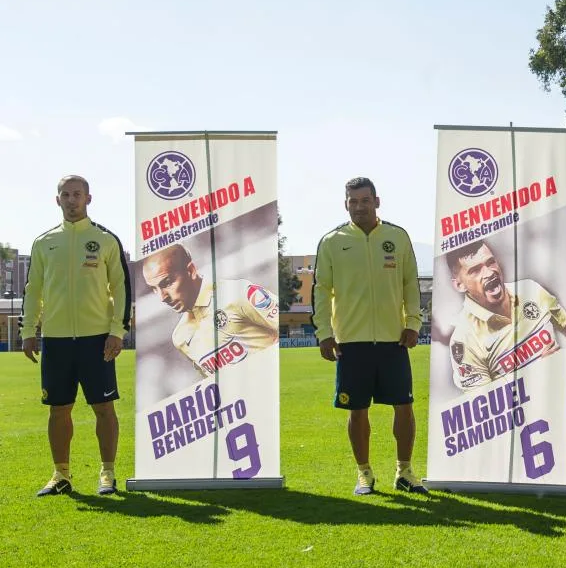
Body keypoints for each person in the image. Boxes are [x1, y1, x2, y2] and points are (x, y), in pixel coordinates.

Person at [312, 177, 427, 496]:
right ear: (345, 204)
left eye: (365, 200)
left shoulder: (397, 237)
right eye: (353, 201)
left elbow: (410, 283)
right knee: (357, 409)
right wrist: (324, 333)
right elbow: (321, 290)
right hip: (351, 342)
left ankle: (404, 472)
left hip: (393, 339)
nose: (359, 207)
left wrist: (413, 322)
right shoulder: (332, 241)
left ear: (377, 202)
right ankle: (364, 474)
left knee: (404, 405)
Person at [21, 175, 130, 497]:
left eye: (77, 194)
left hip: (97, 339)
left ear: (88, 198)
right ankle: (61, 475)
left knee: (104, 408)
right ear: (58, 200)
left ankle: (107, 473)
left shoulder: (105, 239)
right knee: (58, 409)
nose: (72, 200)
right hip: (55, 341)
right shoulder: (43, 242)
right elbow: (33, 290)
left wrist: (117, 331)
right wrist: (28, 331)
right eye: (66, 195)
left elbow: (121, 287)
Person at [446, 239, 566, 390]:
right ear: (459, 285)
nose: (489, 273)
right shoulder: (464, 339)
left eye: (490, 262)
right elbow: (487, 402)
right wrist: (537, 374)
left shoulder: (531, 289)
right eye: (475, 270)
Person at [141, 243, 279, 377]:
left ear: (191, 270)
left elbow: (286, 330)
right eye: (154, 289)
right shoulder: (180, 337)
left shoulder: (235, 294)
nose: (162, 297)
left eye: (167, 283)